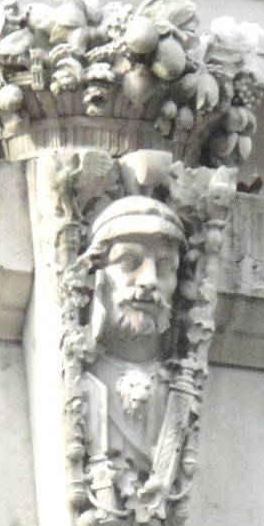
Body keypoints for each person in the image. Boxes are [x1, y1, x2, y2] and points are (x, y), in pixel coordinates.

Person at [83, 196, 186, 481]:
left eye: (165, 267)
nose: (149, 280)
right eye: (129, 262)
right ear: (97, 276)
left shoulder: (181, 383)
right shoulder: (83, 379)